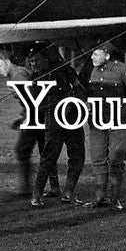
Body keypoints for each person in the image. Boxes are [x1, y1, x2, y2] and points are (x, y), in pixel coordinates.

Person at [80, 42, 126, 211]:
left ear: (107, 55)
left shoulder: (123, 70)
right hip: (97, 120)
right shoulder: (88, 70)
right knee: (97, 157)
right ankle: (99, 198)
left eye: (96, 54)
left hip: (118, 119)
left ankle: (115, 199)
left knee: (116, 158)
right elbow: (84, 90)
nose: (92, 57)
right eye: (92, 54)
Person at [0, 50, 58, 198]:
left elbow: (32, 98)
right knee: (44, 150)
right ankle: (53, 187)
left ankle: (25, 189)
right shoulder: (17, 73)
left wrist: (26, 118)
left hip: (36, 115)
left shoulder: (18, 75)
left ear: (7, 61)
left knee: (22, 150)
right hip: (38, 114)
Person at [27, 44, 87, 207]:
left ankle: (68, 192)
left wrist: (73, 105)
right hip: (54, 120)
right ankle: (36, 195)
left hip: (73, 118)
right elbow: (37, 104)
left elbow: (80, 91)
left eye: (36, 60)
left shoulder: (65, 70)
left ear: (45, 58)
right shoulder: (35, 78)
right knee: (48, 157)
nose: (34, 64)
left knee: (77, 156)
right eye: (31, 62)